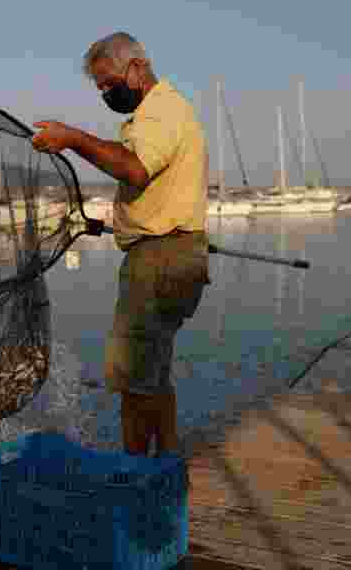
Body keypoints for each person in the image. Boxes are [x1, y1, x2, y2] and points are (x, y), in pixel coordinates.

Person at [31, 31, 210, 458]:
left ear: (136, 68)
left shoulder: (161, 112)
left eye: (109, 83)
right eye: (100, 89)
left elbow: (134, 169)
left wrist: (73, 138)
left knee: (132, 377)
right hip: (169, 254)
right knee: (152, 373)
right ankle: (165, 467)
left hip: (161, 260)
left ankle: (136, 477)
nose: (106, 93)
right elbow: (151, 190)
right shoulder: (159, 112)